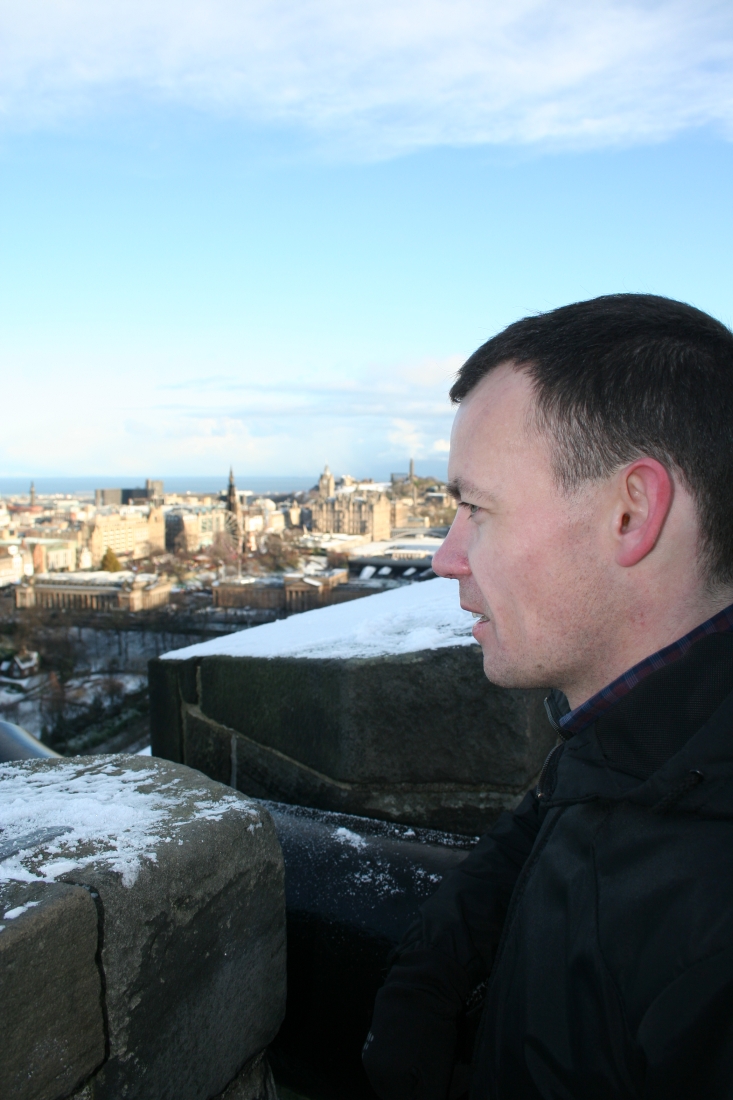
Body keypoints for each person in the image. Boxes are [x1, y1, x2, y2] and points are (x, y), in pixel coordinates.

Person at [362, 294, 733, 1100]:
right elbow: (553, 820)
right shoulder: (648, 737)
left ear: (630, 513)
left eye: (475, 508)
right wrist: (427, 986)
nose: (444, 557)